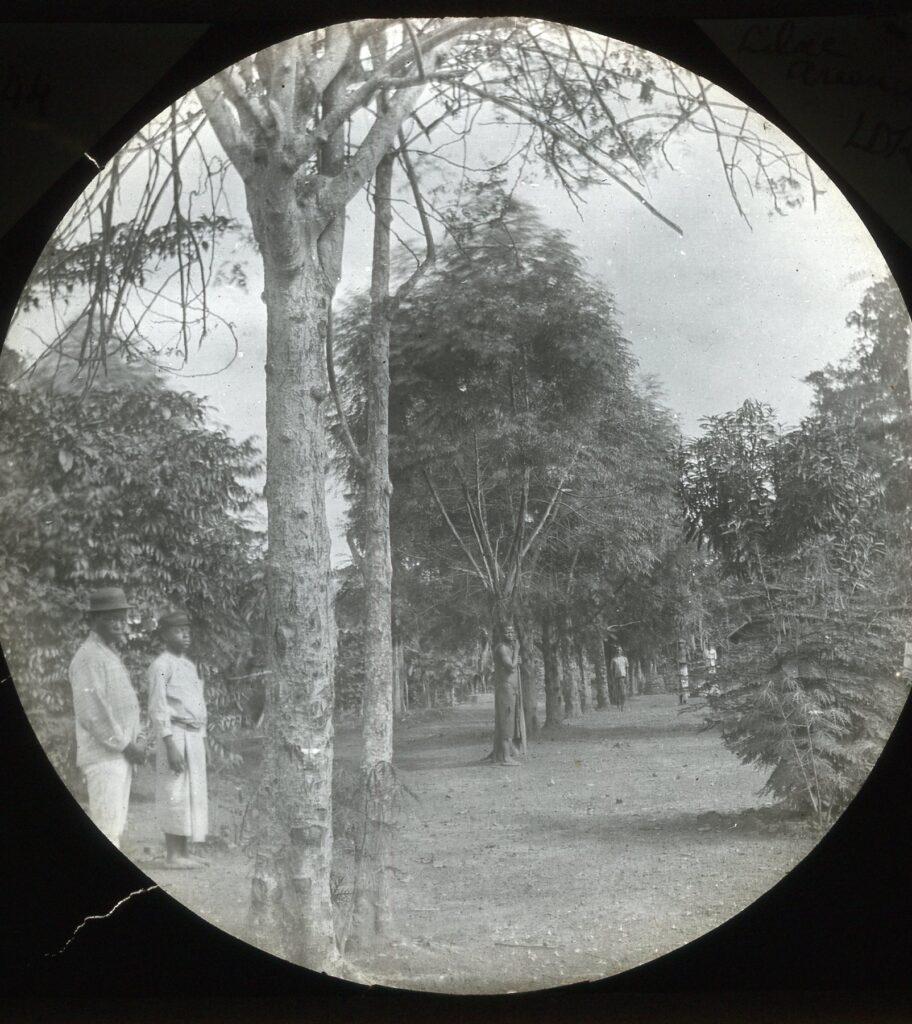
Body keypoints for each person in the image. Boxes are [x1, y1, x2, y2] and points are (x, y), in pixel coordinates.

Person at [68, 586, 144, 850]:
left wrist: (139, 738)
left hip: (120, 755)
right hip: (105, 756)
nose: (119, 624)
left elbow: (126, 706)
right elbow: (93, 713)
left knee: (114, 828)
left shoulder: (108, 654)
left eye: (122, 617)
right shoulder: (88, 657)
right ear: (94, 620)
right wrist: (126, 745)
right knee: (106, 830)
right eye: (111, 617)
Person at [147, 610, 209, 869]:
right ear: (164, 634)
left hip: (193, 734)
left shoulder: (188, 665)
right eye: (177, 630)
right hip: (174, 735)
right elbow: (157, 707)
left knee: (191, 793)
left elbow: (197, 705)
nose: (185, 635)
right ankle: (172, 855)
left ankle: (184, 851)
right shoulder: (161, 665)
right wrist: (170, 743)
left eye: (187, 630)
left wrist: (203, 741)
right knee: (174, 792)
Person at [491, 623, 521, 766]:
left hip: (512, 689)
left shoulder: (508, 647)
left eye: (512, 632)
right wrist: (516, 653)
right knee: (506, 721)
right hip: (505, 689)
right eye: (507, 632)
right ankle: (505, 757)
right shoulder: (502, 648)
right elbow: (511, 666)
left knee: (511, 721)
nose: (510, 635)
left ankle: (510, 752)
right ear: (502, 634)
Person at [609, 645, 629, 710]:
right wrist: (612, 678)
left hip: (623, 676)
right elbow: (612, 669)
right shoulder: (613, 659)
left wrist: (627, 677)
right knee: (617, 692)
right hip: (616, 677)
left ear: (621, 651)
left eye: (619, 650)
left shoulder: (624, 659)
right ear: (616, 651)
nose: (618, 651)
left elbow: (627, 668)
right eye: (617, 650)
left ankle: (622, 706)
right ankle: (618, 704)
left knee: (623, 692)